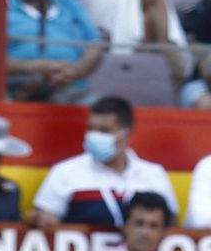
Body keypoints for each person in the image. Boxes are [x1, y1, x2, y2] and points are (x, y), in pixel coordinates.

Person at [30, 96, 176, 231]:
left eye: (104, 130)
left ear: (127, 133)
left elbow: (171, 227)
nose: (94, 136)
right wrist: (43, 218)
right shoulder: (64, 172)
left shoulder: (154, 174)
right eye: (91, 129)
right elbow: (43, 220)